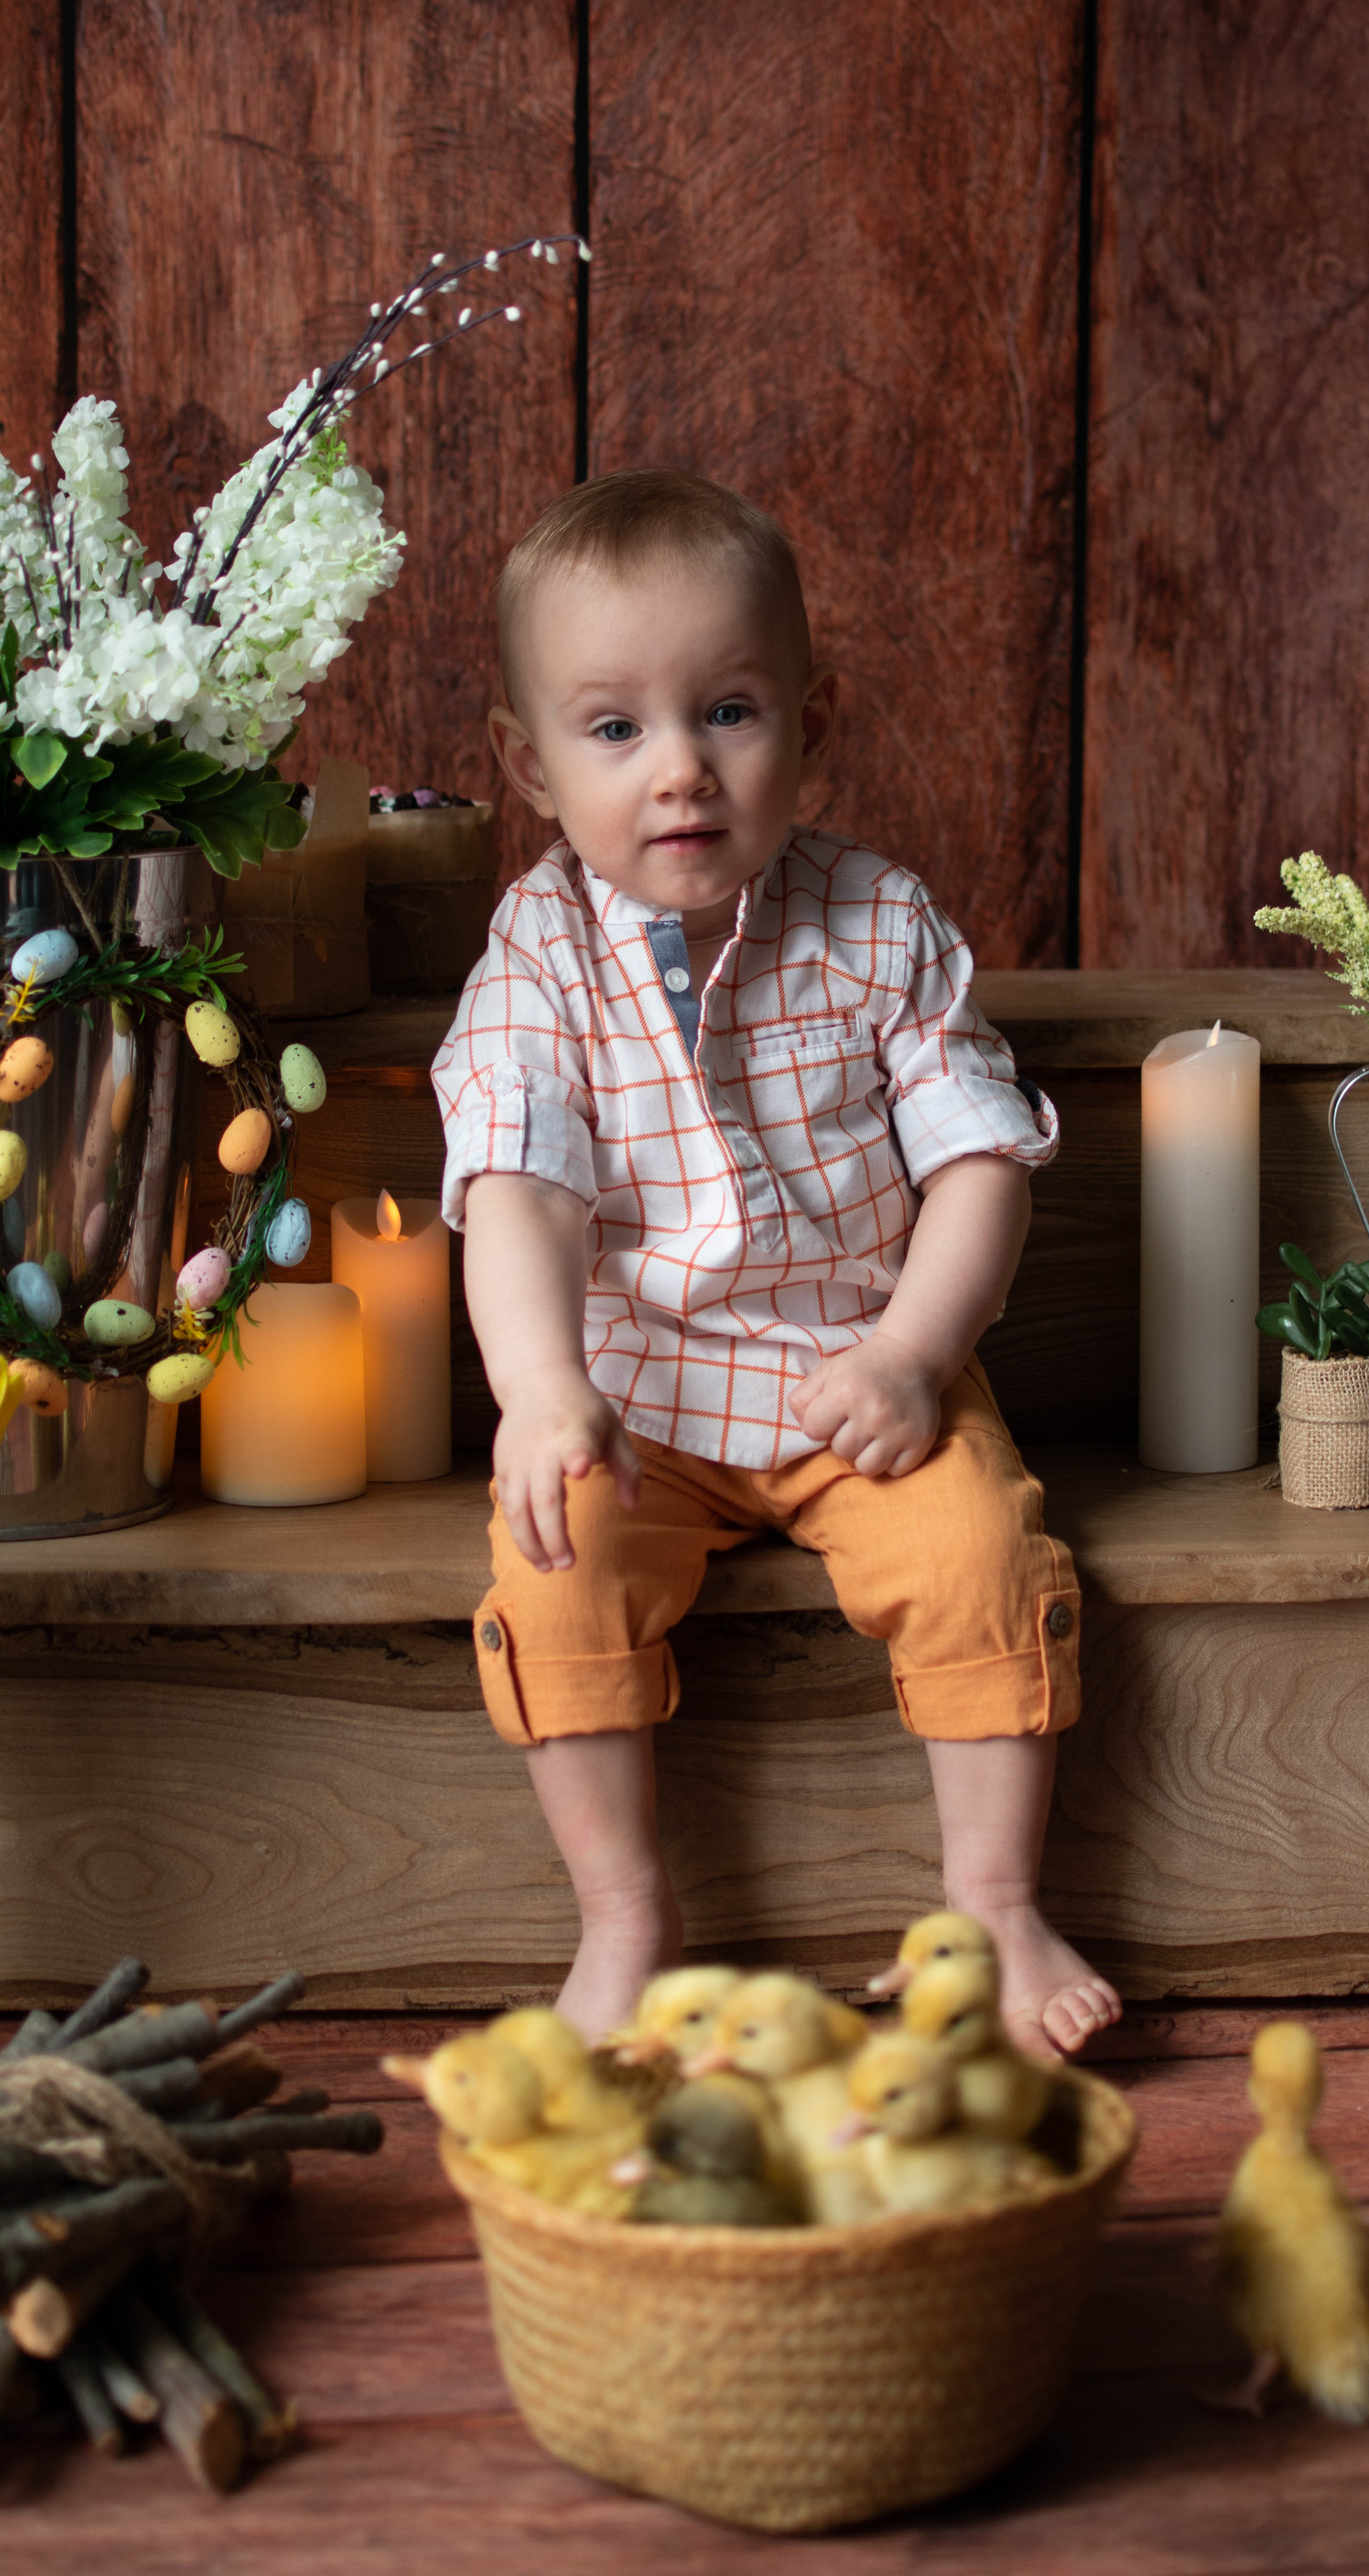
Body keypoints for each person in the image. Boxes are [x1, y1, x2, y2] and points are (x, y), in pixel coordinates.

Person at [431, 468, 1121, 2063]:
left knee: (977, 1559)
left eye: (727, 711)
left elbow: (975, 1167)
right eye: (614, 732)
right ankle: (621, 1915)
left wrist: (912, 1357)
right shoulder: (533, 956)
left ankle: (995, 1904)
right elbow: (518, 1193)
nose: (677, 769)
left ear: (812, 721)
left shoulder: (877, 925)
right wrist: (540, 1397)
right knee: (554, 1569)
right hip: (637, 1397)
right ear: (525, 766)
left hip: (855, 1374)